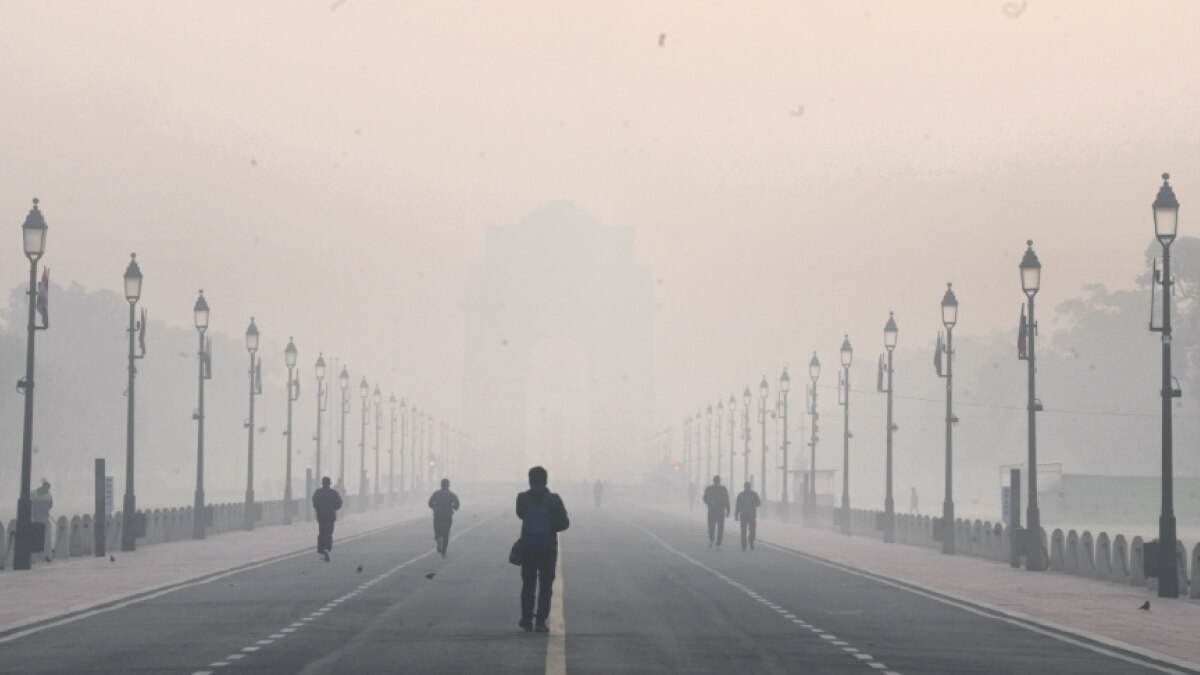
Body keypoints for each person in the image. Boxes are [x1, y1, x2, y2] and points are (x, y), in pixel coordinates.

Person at [516, 466, 570, 633]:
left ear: (529, 480)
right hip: (547, 548)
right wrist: (551, 525)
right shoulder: (554, 499)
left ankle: (526, 619)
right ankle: (540, 621)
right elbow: (565, 523)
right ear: (546, 480)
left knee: (528, 585)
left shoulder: (522, 498)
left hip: (529, 547)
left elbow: (521, 514)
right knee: (546, 586)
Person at [312, 477, 343, 561]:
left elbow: (314, 503)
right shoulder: (333, 493)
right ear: (330, 483)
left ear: (322, 483)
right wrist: (333, 508)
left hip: (321, 516)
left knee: (322, 532)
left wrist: (320, 509)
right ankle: (327, 549)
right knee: (329, 533)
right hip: (331, 516)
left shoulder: (318, 492)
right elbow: (340, 503)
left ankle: (321, 550)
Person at [428, 478, 460, 557]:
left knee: (437, 530)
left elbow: (430, 503)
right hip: (447, 516)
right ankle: (444, 551)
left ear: (441, 485)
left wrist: (434, 507)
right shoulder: (451, 494)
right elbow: (457, 504)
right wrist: (453, 508)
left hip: (437, 515)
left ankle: (438, 538)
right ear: (448, 485)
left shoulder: (436, 493)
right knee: (446, 534)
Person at [702, 475, 730, 550]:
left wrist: (728, 509)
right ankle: (712, 540)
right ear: (714, 481)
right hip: (713, 510)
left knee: (719, 528)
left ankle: (718, 543)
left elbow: (726, 500)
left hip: (719, 510)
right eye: (716, 481)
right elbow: (704, 498)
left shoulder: (723, 489)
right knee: (712, 527)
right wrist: (710, 502)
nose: (717, 482)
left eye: (717, 481)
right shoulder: (710, 489)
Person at [734, 481, 762, 551]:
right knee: (743, 531)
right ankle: (744, 546)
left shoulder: (754, 494)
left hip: (751, 514)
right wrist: (736, 515)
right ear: (744, 487)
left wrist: (754, 504)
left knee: (752, 530)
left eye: (748, 486)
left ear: (750, 487)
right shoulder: (740, 495)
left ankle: (751, 540)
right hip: (743, 515)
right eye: (746, 486)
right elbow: (737, 506)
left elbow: (758, 502)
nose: (747, 487)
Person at [31, 480, 53, 554]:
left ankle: (40, 548)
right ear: (44, 487)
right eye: (47, 488)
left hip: (42, 514)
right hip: (37, 514)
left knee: (43, 530)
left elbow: (50, 505)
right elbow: (30, 502)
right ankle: (37, 548)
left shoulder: (48, 495)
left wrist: (44, 507)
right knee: (38, 530)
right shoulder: (34, 493)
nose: (48, 490)